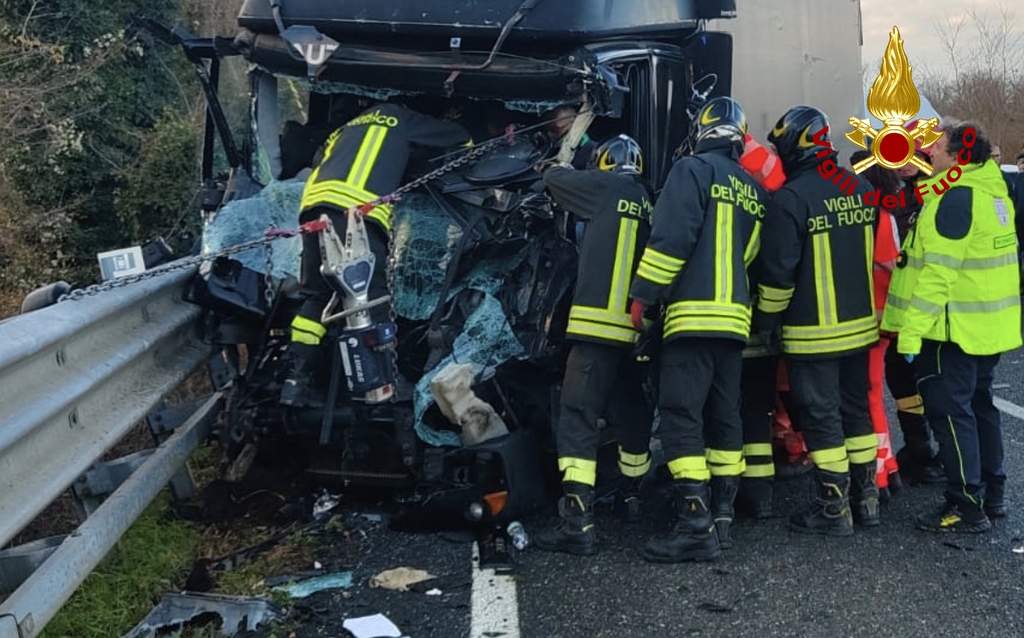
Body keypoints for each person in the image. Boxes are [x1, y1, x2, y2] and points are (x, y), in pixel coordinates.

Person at [630, 97, 767, 561]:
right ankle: (721, 517)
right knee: (725, 414)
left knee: (680, 414)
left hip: (692, 317)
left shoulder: (690, 170)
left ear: (702, 131)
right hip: (735, 322)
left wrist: (644, 296)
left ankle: (693, 523)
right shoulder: (753, 188)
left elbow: (671, 239)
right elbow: (751, 255)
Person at [280, 102, 472, 406]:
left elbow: (320, 157)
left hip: (314, 209)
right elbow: (457, 136)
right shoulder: (397, 116)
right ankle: (384, 385)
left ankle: (295, 383)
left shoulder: (347, 127)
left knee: (317, 296)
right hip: (355, 212)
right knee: (374, 297)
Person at [882, 121, 1021, 533]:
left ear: (958, 156)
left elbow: (938, 275)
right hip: (985, 327)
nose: (930, 153)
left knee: (952, 415)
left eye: (937, 148)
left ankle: (965, 505)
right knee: (980, 407)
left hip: (951, 329)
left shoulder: (956, 198)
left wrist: (911, 332)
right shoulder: (992, 191)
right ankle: (992, 494)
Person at [754, 105, 879, 536]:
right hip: (860, 329)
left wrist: (765, 322)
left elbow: (778, 276)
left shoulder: (791, 198)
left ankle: (833, 509)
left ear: (796, 144)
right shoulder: (860, 187)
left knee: (822, 417)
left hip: (813, 334)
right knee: (856, 411)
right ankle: (866, 501)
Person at [533, 135, 654, 556]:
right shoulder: (648, 199)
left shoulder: (605, 186)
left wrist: (556, 163)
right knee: (633, 414)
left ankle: (577, 522)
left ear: (604, 164)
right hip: (634, 335)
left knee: (577, 416)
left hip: (596, 331)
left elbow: (555, 180)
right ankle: (631, 497)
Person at [885, 130, 946, 485]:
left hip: (929, 311)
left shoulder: (935, 196)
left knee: (931, 383)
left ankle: (935, 454)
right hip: (906, 311)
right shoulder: (904, 195)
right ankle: (920, 447)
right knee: (902, 378)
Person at [735, 134, 786, 518]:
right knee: (757, 412)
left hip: (734, 329)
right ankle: (761, 495)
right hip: (761, 329)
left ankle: (727, 490)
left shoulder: (732, 212)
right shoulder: (772, 211)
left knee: (725, 410)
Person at [850, 149, 902, 500]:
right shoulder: (886, 216)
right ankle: (889, 467)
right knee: (873, 396)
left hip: (868, 320)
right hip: (882, 321)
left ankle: (879, 476)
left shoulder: (873, 218)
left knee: (866, 397)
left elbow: (885, 264)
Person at [545, 105, 597, 170]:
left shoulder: (592, 150)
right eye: (549, 128)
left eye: (555, 129)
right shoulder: (545, 148)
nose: (549, 133)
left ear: (574, 123)